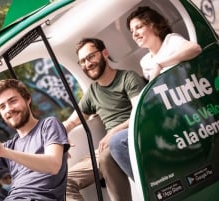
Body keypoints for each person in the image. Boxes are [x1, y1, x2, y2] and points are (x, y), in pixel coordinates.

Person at [109, 5, 202, 188]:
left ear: (153, 25)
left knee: (119, 142)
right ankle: (154, 185)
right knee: (118, 141)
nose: (134, 34)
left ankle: (154, 187)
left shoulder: (171, 41)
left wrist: (161, 64)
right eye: (132, 30)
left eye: (139, 27)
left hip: (184, 110)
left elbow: (195, 49)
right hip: (163, 115)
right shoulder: (144, 62)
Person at [63, 37, 146, 201]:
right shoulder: (92, 93)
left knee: (108, 154)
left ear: (104, 53)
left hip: (130, 139)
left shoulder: (128, 78)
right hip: (106, 146)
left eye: (90, 57)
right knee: (64, 183)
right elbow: (72, 121)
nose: (87, 64)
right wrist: (57, 138)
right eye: (82, 61)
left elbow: (142, 113)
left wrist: (114, 131)